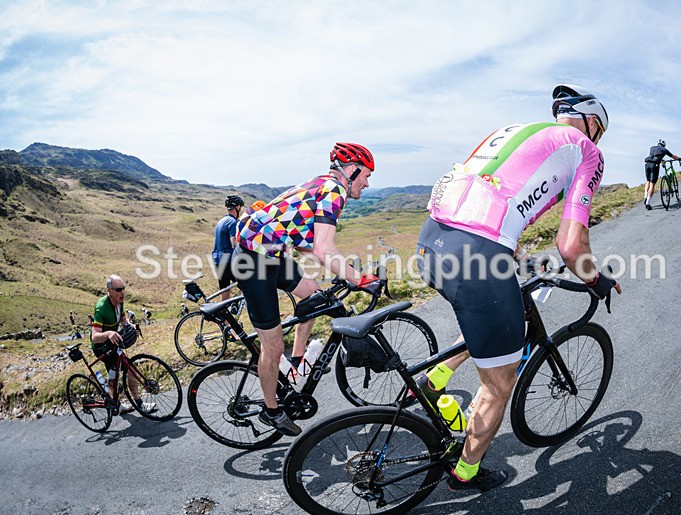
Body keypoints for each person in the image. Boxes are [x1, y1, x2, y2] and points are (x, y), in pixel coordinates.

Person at [415, 84, 622, 492]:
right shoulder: (587, 151)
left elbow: (491, 199)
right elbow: (571, 245)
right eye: (599, 132)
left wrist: (517, 257)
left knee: (489, 324)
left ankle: (435, 377)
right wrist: (596, 279)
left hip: (431, 241)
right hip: (477, 255)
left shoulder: (516, 131)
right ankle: (465, 473)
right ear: (592, 124)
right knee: (499, 384)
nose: (596, 140)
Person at [233, 142, 382, 436]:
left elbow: (308, 247)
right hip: (252, 262)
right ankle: (271, 410)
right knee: (273, 347)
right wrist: (360, 279)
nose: (367, 183)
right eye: (366, 175)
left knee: (316, 297)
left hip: (272, 255)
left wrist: (347, 273)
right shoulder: (334, 190)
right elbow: (324, 249)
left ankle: (298, 362)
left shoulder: (322, 184)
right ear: (353, 170)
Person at [91, 275, 155, 413]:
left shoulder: (119, 302)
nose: (123, 292)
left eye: (123, 288)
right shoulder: (102, 307)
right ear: (109, 290)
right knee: (119, 372)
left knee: (128, 369)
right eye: (119, 289)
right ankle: (126, 404)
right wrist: (108, 333)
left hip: (113, 342)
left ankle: (122, 403)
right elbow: (95, 337)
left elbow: (124, 319)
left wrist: (131, 326)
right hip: (102, 347)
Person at [213, 195, 245, 302]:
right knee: (247, 286)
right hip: (228, 260)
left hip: (217, 260)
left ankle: (225, 313)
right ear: (237, 207)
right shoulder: (233, 222)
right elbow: (234, 243)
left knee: (225, 291)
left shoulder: (220, 222)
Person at [643, 140, 681, 210]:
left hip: (647, 164)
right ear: (664, 145)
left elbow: (655, 155)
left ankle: (645, 197)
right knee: (652, 184)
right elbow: (673, 156)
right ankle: (648, 203)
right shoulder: (664, 150)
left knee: (648, 181)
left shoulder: (652, 147)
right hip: (654, 165)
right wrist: (679, 158)